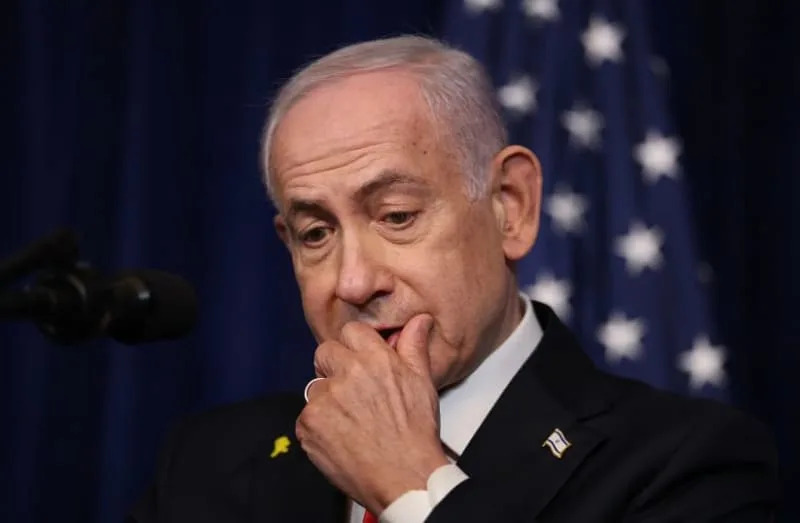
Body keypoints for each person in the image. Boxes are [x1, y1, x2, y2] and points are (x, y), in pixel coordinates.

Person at [127, 35, 780, 522]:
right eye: (316, 233)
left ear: (511, 207)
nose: (353, 281)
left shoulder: (684, 465)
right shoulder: (205, 465)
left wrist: (415, 486)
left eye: (397, 215)